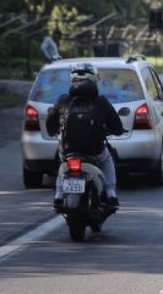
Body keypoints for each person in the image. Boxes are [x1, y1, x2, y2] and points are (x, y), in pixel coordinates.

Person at [47, 63, 123, 211]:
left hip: (68, 151)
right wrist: (116, 131)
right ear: (94, 80)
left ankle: (58, 195)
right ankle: (110, 193)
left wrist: (56, 130)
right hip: (94, 152)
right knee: (108, 159)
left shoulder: (63, 100)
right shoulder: (101, 101)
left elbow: (51, 126)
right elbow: (117, 126)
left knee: (63, 164)